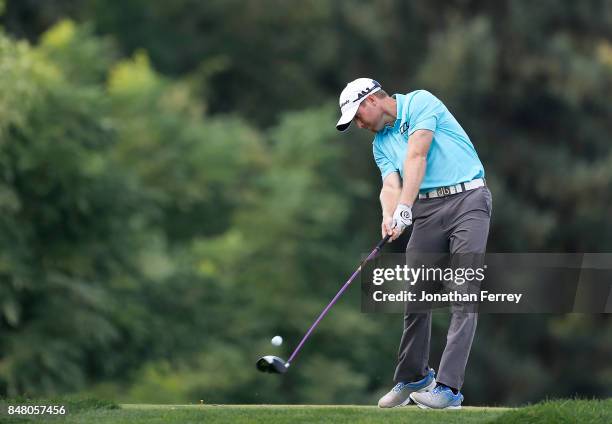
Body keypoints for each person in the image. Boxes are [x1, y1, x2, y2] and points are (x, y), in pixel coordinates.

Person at [336, 78, 492, 409]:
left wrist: (405, 208)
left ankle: (448, 389)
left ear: (371, 102)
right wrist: (389, 214)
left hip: (469, 199)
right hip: (427, 209)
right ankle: (414, 377)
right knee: (416, 295)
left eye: (358, 116)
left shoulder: (420, 102)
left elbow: (417, 155)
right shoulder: (379, 142)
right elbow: (390, 184)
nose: (359, 125)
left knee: (463, 294)